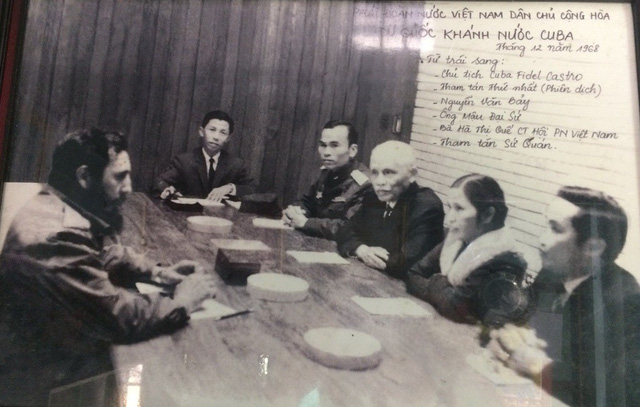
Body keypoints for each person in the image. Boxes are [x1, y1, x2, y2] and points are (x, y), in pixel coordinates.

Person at [0, 129, 217, 405]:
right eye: (119, 176)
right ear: (84, 176)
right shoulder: (55, 237)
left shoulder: (57, 203)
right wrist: (182, 302)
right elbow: (118, 317)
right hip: (42, 386)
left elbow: (104, 252)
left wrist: (157, 272)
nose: (128, 187)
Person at [488, 186, 640, 406]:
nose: (541, 239)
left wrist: (539, 366)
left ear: (593, 247)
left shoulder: (625, 300)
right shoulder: (552, 274)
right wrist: (504, 336)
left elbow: (618, 391)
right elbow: (517, 319)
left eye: (555, 229)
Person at [406, 174, 536, 327]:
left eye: (459, 208)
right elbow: (413, 274)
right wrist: (443, 289)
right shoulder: (458, 239)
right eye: (450, 207)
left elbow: (457, 308)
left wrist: (435, 282)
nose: (449, 219)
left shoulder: (506, 259)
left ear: (487, 215)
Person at [336, 140, 444, 278]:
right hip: (370, 277)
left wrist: (367, 251)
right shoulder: (374, 196)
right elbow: (346, 230)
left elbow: (405, 261)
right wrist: (361, 249)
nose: (379, 182)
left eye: (388, 172)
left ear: (412, 174)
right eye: (374, 172)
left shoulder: (427, 206)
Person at [282, 120, 371, 239]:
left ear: (352, 150)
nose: (326, 152)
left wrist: (305, 223)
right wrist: (294, 212)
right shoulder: (327, 173)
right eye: (323, 145)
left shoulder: (365, 184)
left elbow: (350, 228)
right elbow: (307, 202)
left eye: (334, 145)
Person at [157, 110, 255, 201]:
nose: (216, 137)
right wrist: (167, 189)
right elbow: (160, 182)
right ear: (201, 131)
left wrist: (230, 188)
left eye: (223, 132)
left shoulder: (236, 165)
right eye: (212, 130)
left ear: (228, 138)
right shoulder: (183, 161)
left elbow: (252, 189)